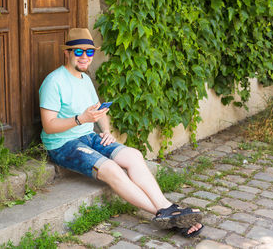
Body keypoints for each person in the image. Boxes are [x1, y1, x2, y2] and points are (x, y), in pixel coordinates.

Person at [39, 28, 203, 237]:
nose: (84, 57)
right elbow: (49, 126)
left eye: (89, 52)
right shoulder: (53, 81)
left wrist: (106, 130)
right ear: (67, 53)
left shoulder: (84, 79)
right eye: (78, 52)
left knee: (133, 155)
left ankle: (168, 207)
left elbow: (98, 109)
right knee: (112, 169)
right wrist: (81, 119)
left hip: (88, 136)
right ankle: (164, 214)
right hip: (63, 144)